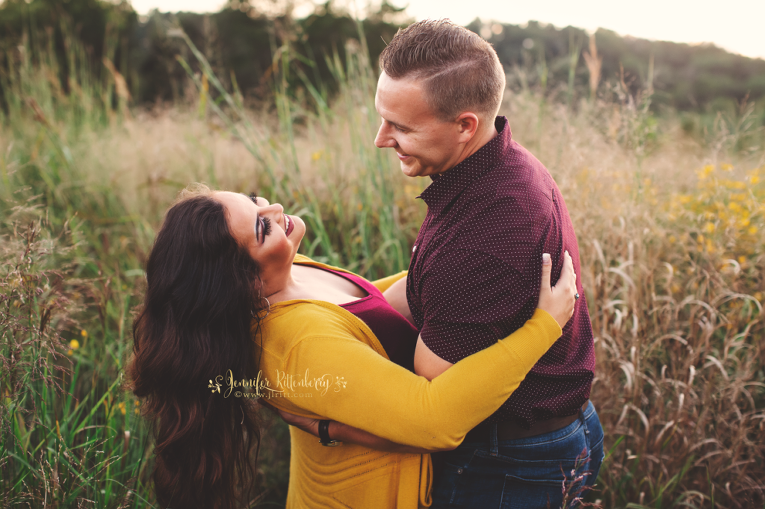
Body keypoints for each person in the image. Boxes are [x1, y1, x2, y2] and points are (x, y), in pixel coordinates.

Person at [126, 184, 579, 509]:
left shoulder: (290, 274)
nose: (276, 207)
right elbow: (435, 420)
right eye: (262, 228)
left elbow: (374, 307)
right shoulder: (298, 343)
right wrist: (543, 327)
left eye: (253, 201)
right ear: (243, 282)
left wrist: (466, 255)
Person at [371, 19, 604, 508]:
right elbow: (421, 290)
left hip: (509, 463)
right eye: (382, 117)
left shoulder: (489, 230)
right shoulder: (496, 163)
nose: (381, 138)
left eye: (401, 126)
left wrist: (318, 411)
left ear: (464, 125)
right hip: (551, 432)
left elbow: (432, 389)